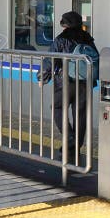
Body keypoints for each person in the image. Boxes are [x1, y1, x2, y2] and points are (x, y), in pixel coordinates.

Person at [40, 11, 98, 153]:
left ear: (65, 25)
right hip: (85, 82)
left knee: (58, 108)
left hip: (65, 82)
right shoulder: (87, 38)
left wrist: (42, 77)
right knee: (81, 114)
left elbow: (50, 59)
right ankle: (75, 146)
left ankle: (70, 136)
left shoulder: (61, 39)